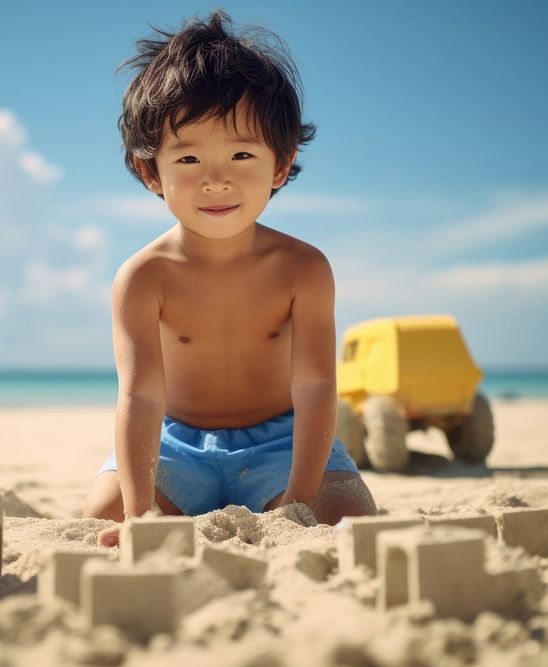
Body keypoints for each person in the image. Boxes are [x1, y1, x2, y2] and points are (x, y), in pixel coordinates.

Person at [83, 10, 376, 544]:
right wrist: (139, 510)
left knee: (348, 515)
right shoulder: (143, 277)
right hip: (176, 443)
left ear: (280, 165)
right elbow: (142, 396)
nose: (217, 180)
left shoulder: (303, 269)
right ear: (152, 172)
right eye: (190, 157)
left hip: (283, 439)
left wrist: (300, 498)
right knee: (104, 512)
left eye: (242, 154)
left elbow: (314, 386)